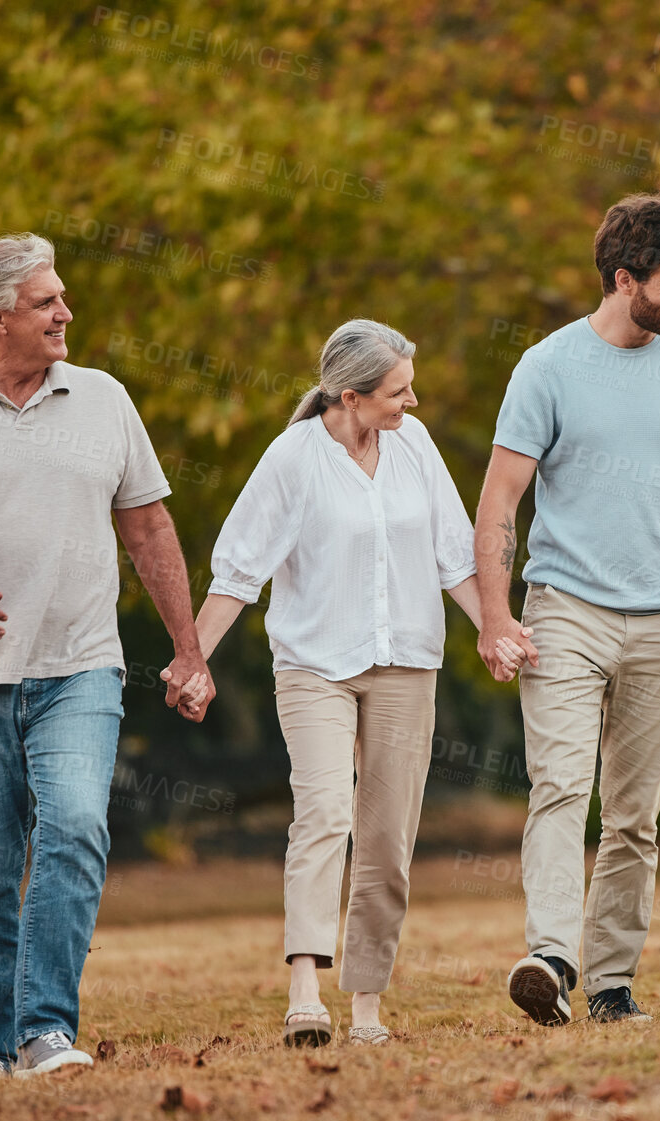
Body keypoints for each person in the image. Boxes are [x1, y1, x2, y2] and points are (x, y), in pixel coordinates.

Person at [0, 233, 212, 1080]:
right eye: (45, 302)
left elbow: (148, 526)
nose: (66, 313)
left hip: (80, 665)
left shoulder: (103, 398)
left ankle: (45, 1032)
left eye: (61, 297)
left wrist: (188, 649)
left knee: (75, 827)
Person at [174, 320, 521, 1047]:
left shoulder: (414, 447)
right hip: (314, 666)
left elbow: (453, 555)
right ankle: (305, 990)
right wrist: (193, 658)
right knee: (325, 813)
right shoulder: (292, 459)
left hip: (407, 664)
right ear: (351, 395)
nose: (412, 402)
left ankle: (365, 1001)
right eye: (398, 391)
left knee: (388, 836)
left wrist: (494, 625)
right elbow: (239, 570)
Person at [475, 191, 660, 1028]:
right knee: (562, 786)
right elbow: (500, 499)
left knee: (634, 814)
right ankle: (551, 955)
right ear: (623, 276)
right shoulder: (548, 365)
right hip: (565, 606)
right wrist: (496, 617)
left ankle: (608, 983)